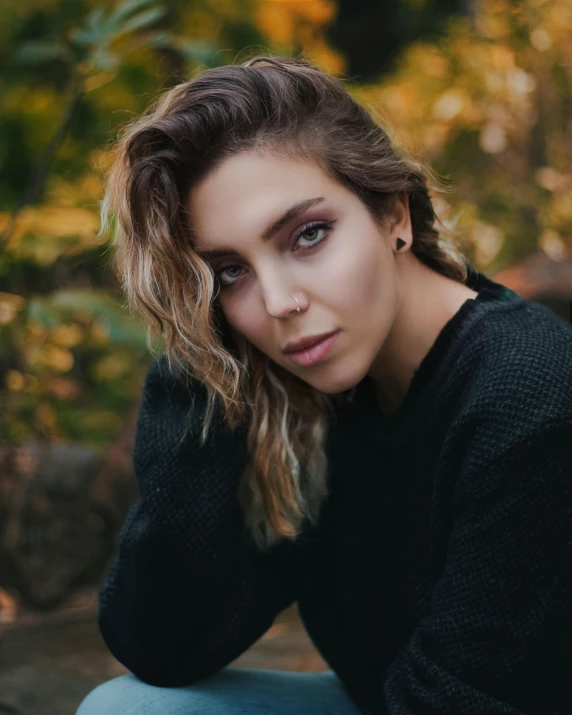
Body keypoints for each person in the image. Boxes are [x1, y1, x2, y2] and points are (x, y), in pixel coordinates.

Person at [76, 55, 572, 715]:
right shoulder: (303, 389)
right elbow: (161, 643)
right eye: (228, 271)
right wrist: (197, 351)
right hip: (389, 698)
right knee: (130, 707)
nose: (278, 301)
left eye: (308, 235)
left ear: (394, 213)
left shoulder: (531, 398)